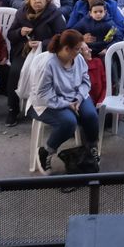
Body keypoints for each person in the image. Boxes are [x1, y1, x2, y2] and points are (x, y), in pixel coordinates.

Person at [35, 31, 101, 173]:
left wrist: (78, 98)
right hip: (50, 101)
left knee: (91, 115)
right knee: (68, 122)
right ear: (66, 49)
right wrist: (66, 104)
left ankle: (91, 148)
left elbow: (85, 81)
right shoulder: (48, 64)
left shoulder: (78, 59)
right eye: (78, 49)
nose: (82, 51)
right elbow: (42, 94)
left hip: (75, 95)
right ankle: (46, 152)